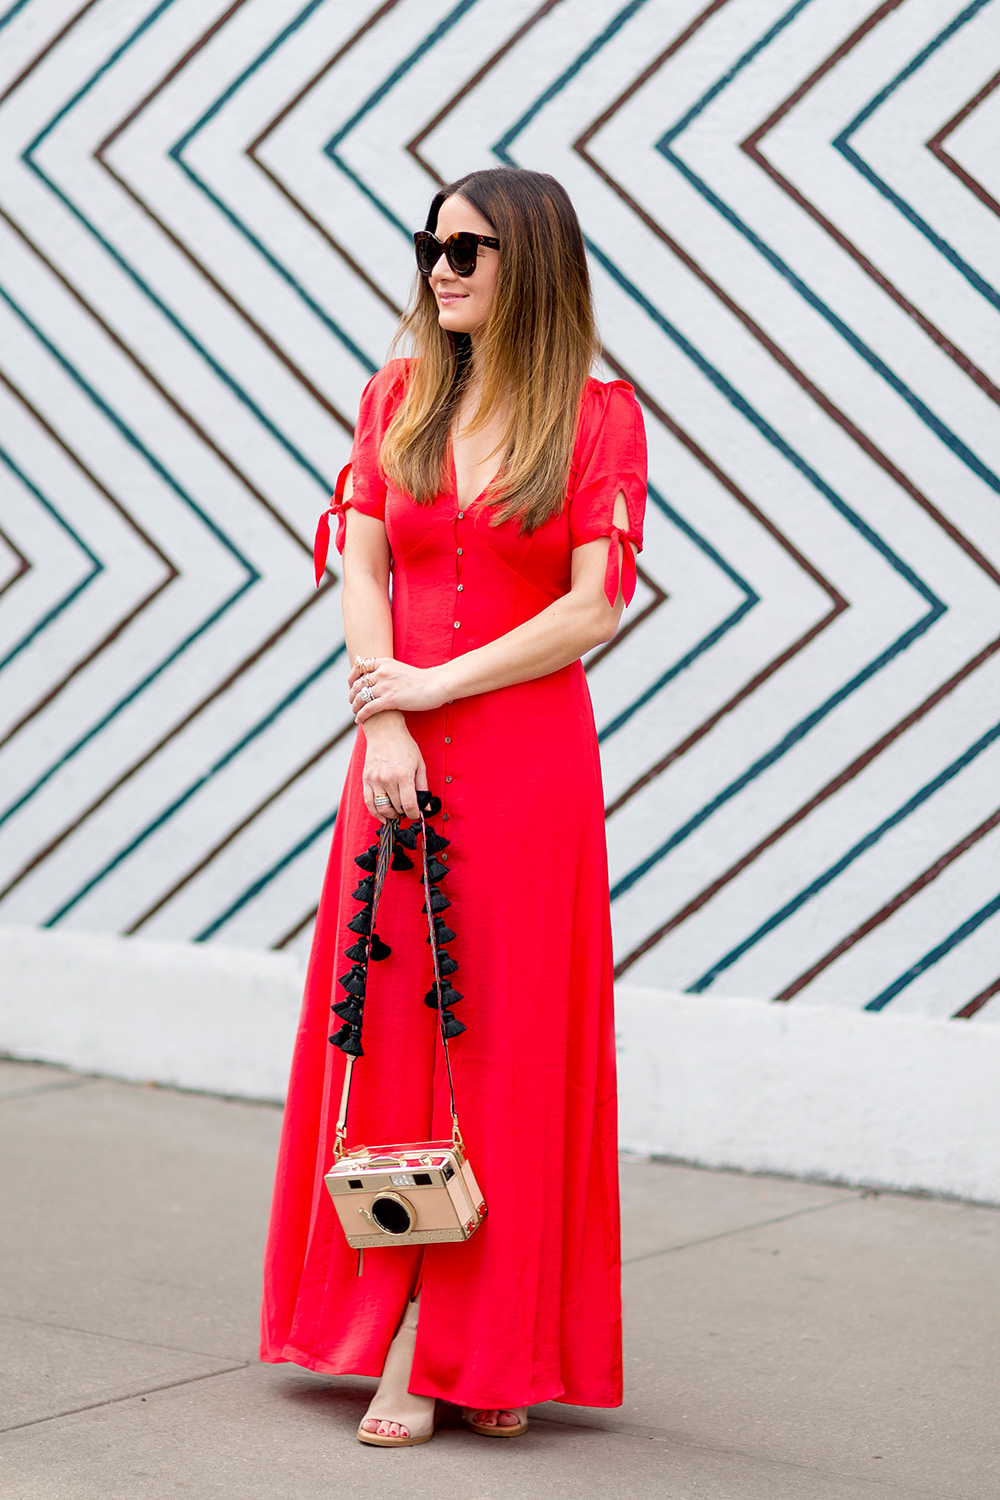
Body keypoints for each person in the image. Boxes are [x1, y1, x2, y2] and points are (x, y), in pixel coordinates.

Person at [259, 166, 647, 1447]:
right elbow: (359, 556)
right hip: (394, 764)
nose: (441, 266)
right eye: (430, 244)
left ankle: (484, 1346)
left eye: (469, 249)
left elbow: (594, 607)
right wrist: (386, 717)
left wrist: (436, 683)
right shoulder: (397, 395)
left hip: (528, 767)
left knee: (513, 1049)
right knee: (394, 1039)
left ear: (527, 261)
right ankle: (400, 1339)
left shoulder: (596, 415)